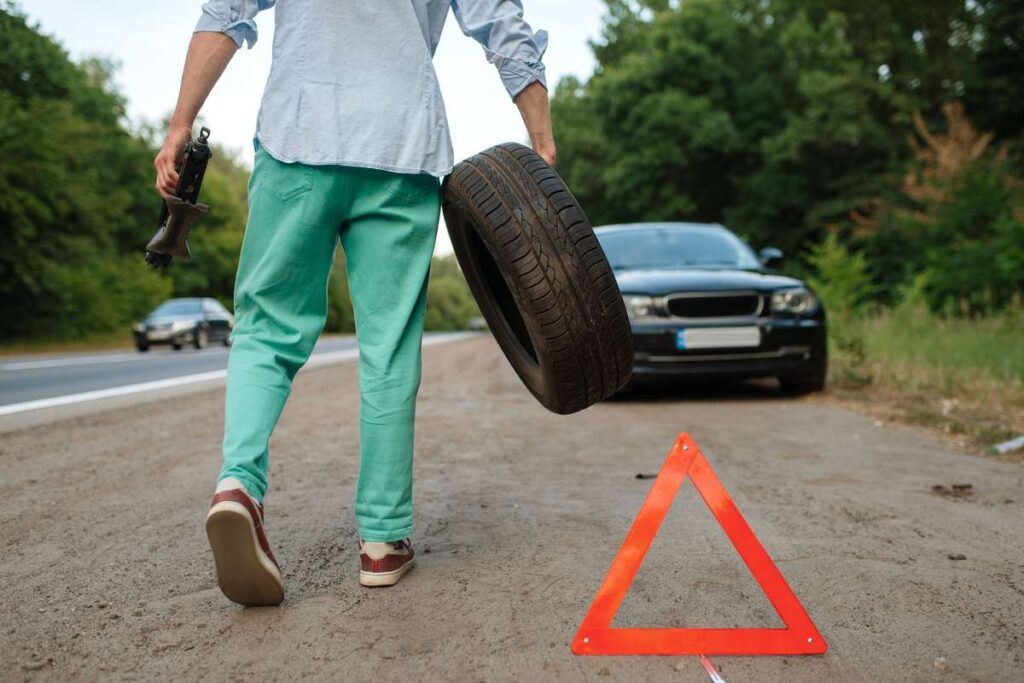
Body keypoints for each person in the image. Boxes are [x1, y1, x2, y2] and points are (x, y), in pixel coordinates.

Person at [154, 0, 555, 607]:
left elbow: (224, 12)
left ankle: (238, 486)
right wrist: (541, 140)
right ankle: (382, 541)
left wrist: (181, 122)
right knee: (389, 347)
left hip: (299, 134)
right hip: (403, 148)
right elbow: (502, 26)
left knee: (266, 328)